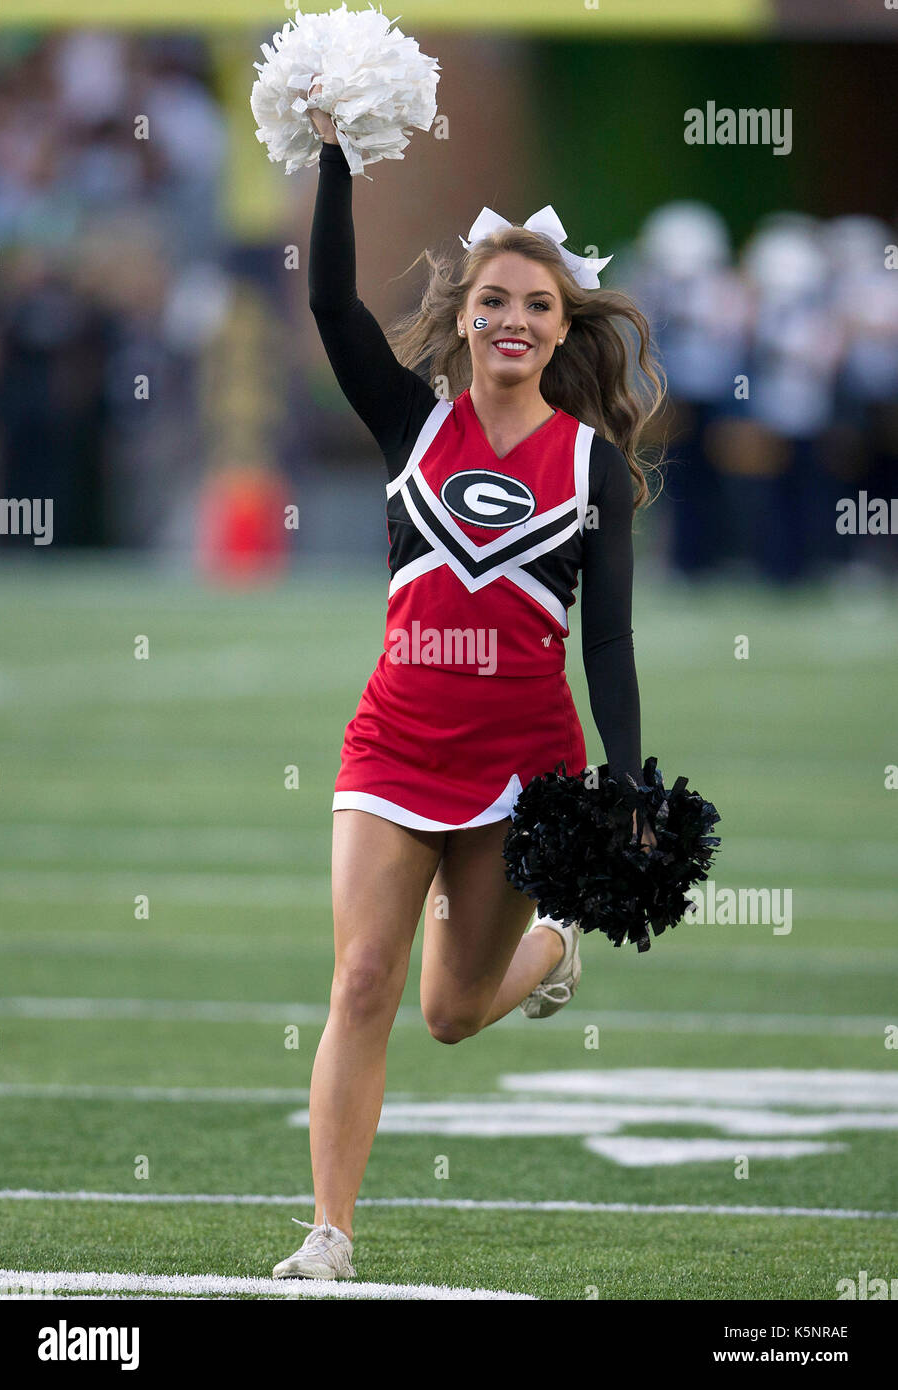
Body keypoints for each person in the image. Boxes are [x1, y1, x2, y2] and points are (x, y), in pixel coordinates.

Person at [273, 95, 664, 1281]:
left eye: (535, 306)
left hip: (519, 771)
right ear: (464, 317)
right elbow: (330, 303)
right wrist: (335, 154)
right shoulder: (412, 423)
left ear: (560, 331)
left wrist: (626, 777)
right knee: (360, 978)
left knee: (448, 1010)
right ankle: (329, 1234)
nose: (511, 318)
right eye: (492, 299)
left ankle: (549, 951)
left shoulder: (592, 465)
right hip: (392, 748)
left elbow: (607, 642)